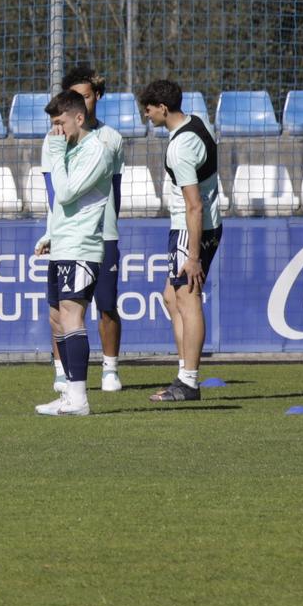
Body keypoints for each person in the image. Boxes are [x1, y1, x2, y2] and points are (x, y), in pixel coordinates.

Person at [33, 90, 122, 417]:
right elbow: (60, 203)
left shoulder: (97, 151)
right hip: (63, 244)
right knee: (57, 316)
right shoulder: (67, 148)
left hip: (82, 246)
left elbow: (67, 192)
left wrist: (56, 153)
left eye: (60, 122)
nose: (56, 130)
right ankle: (69, 393)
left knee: (73, 315)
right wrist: (50, 233)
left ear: (78, 118)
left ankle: (80, 399)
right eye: (53, 124)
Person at [138, 79, 225, 403]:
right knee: (171, 298)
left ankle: (188, 382)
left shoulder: (180, 147)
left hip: (190, 229)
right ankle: (183, 374)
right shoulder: (197, 123)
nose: (146, 116)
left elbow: (194, 204)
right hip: (198, 227)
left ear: (162, 108)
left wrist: (192, 256)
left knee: (187, 298)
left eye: (148, 110)